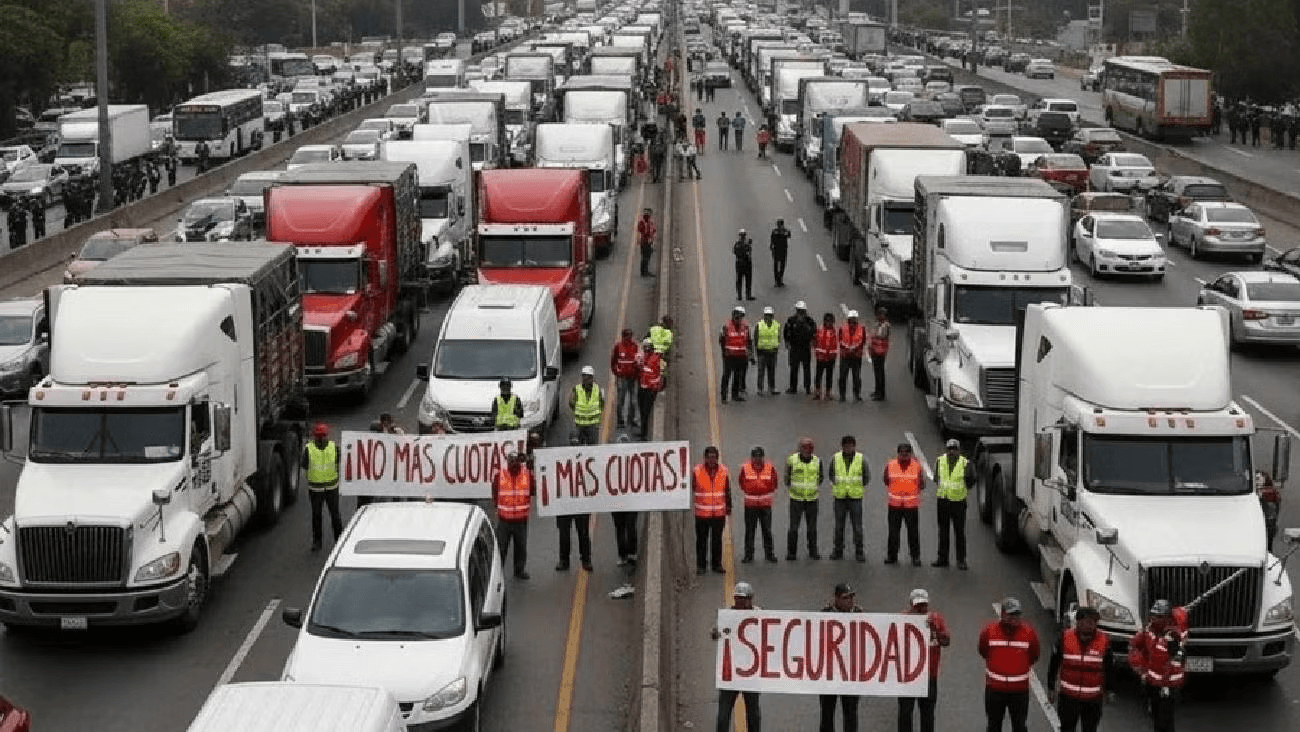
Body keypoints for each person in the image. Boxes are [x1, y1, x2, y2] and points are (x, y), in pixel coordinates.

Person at [978, 597, 1040, 732]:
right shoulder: (989, 631)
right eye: (1010, 614)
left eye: (1017, 614)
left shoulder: (1029, 632)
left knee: (1019, 726)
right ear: (1002, 614)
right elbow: (983, 650)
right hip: (995, 690)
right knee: (994, 726)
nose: (1014, 618)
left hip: (1019, 691)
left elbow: (1034, 655)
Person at [1048, 606, 1112, 732]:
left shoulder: (1104, 641)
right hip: (1068, 698)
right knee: (1067, 728)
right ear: (1078, 622)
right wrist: (1050, 687)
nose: (1091, 625)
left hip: (1092, 700)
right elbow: (1054, 663)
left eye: (1094, 622)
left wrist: (1109, 690)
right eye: (1088, 621)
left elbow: (1109, 668)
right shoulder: (1065, 638)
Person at [1129, 600, 1187, 732]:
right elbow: (1134, 646)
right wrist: (1141, 670)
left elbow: (1177, 659)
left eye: (1159, 616)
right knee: (1156, 718)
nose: (1154, 619)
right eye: (1153, 615)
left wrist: (1165, 686)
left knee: (1165, 721)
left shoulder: (1173, 636)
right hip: (1152, 683)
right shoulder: (1148, 631)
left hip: (1168, 687)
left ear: (1167, 618)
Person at [899, 589, 951, 732]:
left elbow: (946, 641)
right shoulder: (902, 619)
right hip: (907, 677)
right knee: (905, 714)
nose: (921, 608)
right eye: (918, 605)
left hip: (928, 676)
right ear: (911, 604)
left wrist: (935, 629)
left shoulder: (936, 619)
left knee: (927, 715)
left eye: (924, 605)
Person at [713, 581, 762, 731]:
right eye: (738, 598)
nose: (740, 601)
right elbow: (715, 632)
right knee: (723, 715)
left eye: (743, 598)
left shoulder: (760, 614)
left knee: (753, 714)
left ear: (750, 599)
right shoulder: (727, 615)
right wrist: (716, 631)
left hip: (751, 672)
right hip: (731, 673)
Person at [820, 583, 864, 730]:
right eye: (846, 598)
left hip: (851, 673)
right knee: (827, 713)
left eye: (851, 597)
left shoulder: (860, 613)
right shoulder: (824, 614)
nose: (850, 601)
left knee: (851, 713)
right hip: (829, 673)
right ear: (836, 599)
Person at [302, 422, 344, 552]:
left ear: (315, 436)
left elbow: (304, 465)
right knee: (335, 515)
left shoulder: (308, 449)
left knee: (317, 515)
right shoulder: (334, 447)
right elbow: (339, 461)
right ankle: (339, 541)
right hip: (331, 487)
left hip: (316, 489)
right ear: (326, 435)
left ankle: (317, 542)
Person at [492, 451, 535, 579]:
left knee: (521, 547)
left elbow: (533, 490)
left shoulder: (527, 475)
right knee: (501, 548)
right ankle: (498, 572)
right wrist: (498, 505)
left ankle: (519, 570)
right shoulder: (500, 475)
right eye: (511, 461)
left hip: (521, 520)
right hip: (504, 520)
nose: (513, 463)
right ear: (508, 461)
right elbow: (495, 491)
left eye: (515, 461)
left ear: (519, 462)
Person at [933, 439, 974, 570]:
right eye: (949, 449)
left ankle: (961, 560)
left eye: (954, 449)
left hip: (958, 502)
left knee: (959, 532)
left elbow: (971, 479)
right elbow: (936, 477)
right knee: (943, 531)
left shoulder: (965, 463)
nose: (951, 451)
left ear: (958, 450)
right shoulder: (940, 461)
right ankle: (942, 558)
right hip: (943, 500)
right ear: (946, 449)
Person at [692, 446, 732, 574]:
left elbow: (727, 490)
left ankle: (717, 565)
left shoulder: (723, 471)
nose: (712, 460)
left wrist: (729, 507)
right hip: (702, 514)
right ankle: (701, 566)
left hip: (719, 513)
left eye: (714, 457)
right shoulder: (697, 471)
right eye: (709, 457)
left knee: (717, 540)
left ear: (717, 458)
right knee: (701, 541)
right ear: (705, 458)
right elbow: (693, 487)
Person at [884, 443, 925, 566]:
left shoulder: (917, 466)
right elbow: (886, 480)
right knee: (893, 533)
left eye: (907, 452)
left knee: (913, 533)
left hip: (911, 506)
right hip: (894, 505)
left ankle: (915, 557)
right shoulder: (890, 465)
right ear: (898, 454)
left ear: (910, 454)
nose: (904, 455)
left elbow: (922, 484)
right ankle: (892, 556)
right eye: (902, 452)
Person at [829, 435, 869, 562]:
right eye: (846, 446)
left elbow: (866, 477)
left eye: (850, 446)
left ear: (854, 446)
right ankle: (838, 551)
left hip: (855, 498)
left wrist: (856, 487)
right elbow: (831, 475)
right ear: (842, 446)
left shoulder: (861, 459)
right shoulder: (835, 459)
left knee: (857, 527)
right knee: (839, 526)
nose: (848, 448)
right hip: (840, 497)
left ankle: (859, 552)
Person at [738, 446, 779, 563]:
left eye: (759, 457)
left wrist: (764, 492)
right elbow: (741, 482)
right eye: (755, 457)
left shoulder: (769, 468)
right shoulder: (745, 468)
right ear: (752, 458)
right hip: (750, 505)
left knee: (767, 530)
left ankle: (769, 554)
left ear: (763, 457)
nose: (757, 459)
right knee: (750, 531)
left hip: (765, 505)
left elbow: (774, 483)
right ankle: (748, 555)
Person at [785, 437, 823, 560]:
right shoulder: (792, 460)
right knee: (794, 528)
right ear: (800, 449)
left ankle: (813, 551)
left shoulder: (817, 461)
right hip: (796, 499)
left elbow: (820, 478)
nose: (807, 451)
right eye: (804, 448)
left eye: (809, 448)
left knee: (812, 528)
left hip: (812, 499)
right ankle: (791, 553)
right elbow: (787, 478)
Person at [719, 305, 752, 403]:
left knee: (737, 376)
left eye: (741, 316)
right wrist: (724, 352)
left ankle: (735, 395)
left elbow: (748, 340)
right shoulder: (726, 326)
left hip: (741, 356)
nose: (739, 318)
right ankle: (724, 396)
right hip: (729, 356)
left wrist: (749, 354)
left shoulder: (745, 327)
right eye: (737, 316)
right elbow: (721, 340)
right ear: (733, 315)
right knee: (726, 376)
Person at [611, 328, 641, 430]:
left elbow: (638, 361)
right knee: (621, 401)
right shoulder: (618, 347)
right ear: (623, 336)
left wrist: (636, 375)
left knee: (633, 401)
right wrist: (617, 372)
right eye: (627, 336)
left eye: (630, 336)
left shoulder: (635, 346)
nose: (629, 338)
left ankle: (631, 420)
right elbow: (613, 362)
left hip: (632, 378)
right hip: (622, 378)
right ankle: (620, 421)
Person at [784, 301, 816, 395]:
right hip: (794, 347)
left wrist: (812, 341)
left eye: (802, 311)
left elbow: (814, 332)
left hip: (805, 347)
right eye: (799, 311)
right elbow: (786, 331)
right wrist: (787, 342)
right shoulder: (791, 320)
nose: (800, 313)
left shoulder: (809, 321)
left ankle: (807, 387)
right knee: (794, 368)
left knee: (806, 368)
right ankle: (793, 387)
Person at [637, 338, 665, 440]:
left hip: (650, 390)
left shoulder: (657, 358)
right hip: (642, 387)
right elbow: (640, 369)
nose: (645, 349)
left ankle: (644, 434)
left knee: (646, 412)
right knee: (642, 411)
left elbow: (662, 372)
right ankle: (642, 432)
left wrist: (658, 386)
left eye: (646, 347)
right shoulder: (643, 357)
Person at [569, 365, 604, 446]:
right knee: (576, 447)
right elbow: (571, 403)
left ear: (592, 378)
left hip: (593, 426)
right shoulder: (577, 389)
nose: (585, 379)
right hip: (579, 425)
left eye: (587, 377)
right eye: (584, 376)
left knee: (593, 449)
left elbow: (602, 404)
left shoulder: (598, 390)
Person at [837, 310, 866, 402]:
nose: (853, 320)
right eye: (851, 318)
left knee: (856, 377)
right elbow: (840, 340)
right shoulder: (843, 328)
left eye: (854, 318)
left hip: (856, 356)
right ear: (848, 319)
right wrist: (847, 348)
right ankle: (842, 395)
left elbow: (862, 341)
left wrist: (854, 348)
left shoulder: (861, 328)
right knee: (842, 377)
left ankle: (856, 395)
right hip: (845, 356)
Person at [753, 306, 781, 396]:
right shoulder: (759, 325)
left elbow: (778, 337)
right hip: (762, 352)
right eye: (767, 315)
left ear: (772, 316)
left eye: (770, 315)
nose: (768, 317)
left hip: (772, 352)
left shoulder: (777, 325)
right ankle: (760, 389)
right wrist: (757, 348)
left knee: (771, 371)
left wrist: (777, 347)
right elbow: (756, 337)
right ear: (764, 315)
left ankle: (772, 387)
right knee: (761, 371)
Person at [813, 312, 837, 400]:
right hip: (821, 357)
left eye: (831, 321)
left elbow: (836, 344)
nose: (829, 323)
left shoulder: (835, 331)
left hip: (831, 358)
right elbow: (815, 342)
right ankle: (817, 392)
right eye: (827, 321)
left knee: (829, 376)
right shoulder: (819, 329)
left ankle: (828, 393)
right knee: (818, 376)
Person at [869, 306, 891, 400]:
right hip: (875, 351)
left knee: (879, 373)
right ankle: (877, 391)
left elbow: (880, 335)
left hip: (880, 352)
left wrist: (876, 328)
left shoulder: (885, 325)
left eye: (880, 314)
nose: (878, 316)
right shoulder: (878, 324)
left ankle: (880, 394)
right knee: (877, 372)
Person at [733, 228, 754, 301]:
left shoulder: (743, 243)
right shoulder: (740, 244)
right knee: (742, 279)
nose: (743, 236)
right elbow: (736, 252)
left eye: (743, 235)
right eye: (743, 235)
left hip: (743, 262)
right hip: (743, 262)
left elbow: (735, 252)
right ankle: (742, 295)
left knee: (745, 279)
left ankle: (745, 295)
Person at [769, 219, 790, 287]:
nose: (779, 226)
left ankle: (780, 279)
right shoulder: (775, 231)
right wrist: (771, 246)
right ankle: (776, 280)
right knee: (775, 265)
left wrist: (783, 232)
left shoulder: (785, 231)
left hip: (783, 250)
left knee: (783, 265)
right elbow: (772, 239)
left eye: (780, 224)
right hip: (776, 250)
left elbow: (789, 235)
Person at [637, 207, 657, 277]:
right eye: (646, 214)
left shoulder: (650, 222)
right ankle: (643, 272)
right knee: (645, 257)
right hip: (644, 242)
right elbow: (641, 232)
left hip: (649, 242)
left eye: (648, 214)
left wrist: (653, 239)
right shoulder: (642, 222)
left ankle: (645, 270)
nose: (647, 215)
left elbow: (653, 230)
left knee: (647, 257)